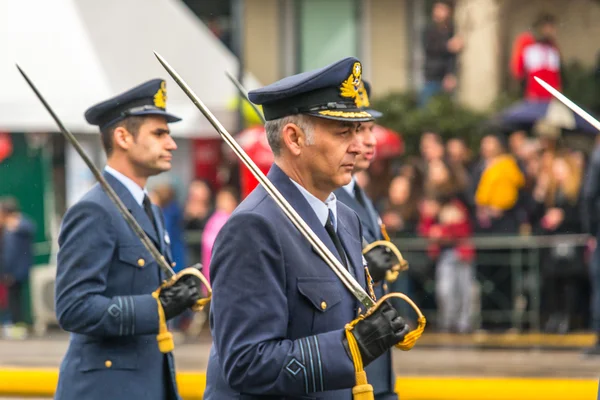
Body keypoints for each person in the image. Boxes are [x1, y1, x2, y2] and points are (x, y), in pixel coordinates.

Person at [204, 57, 410, 399]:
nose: (358, 146)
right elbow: (245, 363)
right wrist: (350, 348)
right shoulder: (254, 227)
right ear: (295, 138)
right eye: (344, 133)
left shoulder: (346, 218)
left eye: (359, 131)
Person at [54, 79, 203, 400]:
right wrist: (157, 307)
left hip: (148, 382)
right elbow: (73, 307)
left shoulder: (150, 209)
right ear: (123, 136)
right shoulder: (94, 210)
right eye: (159, 133)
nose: (171, 144)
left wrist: (177, 295)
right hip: (106, 389)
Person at [334, 80, 404, 399]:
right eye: (356, 130)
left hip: (376, 366)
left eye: (369, 129)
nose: (369, 142)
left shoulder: (359, 194)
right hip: (349, 372)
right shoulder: (327, 199)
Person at [0, 197, 36, 339]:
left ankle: (17, 329)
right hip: (12, 270)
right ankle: (14, 327)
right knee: (12, 299)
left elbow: (11, 253)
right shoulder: (9, 228)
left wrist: (8, 271)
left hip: (14, 271)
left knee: (15, 300)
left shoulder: (18, 226)